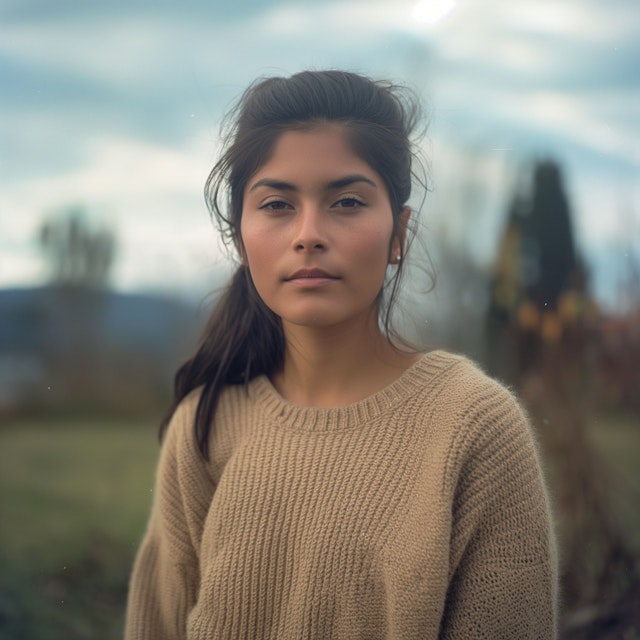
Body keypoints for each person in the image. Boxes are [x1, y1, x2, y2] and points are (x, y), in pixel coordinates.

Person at [125, 70, 558, 639]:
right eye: (277, 205)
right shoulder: (204, 427)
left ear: (399, 233)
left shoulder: (473, 427)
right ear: (239, 235)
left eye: (347, 201)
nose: (308, 233)